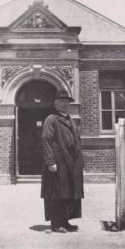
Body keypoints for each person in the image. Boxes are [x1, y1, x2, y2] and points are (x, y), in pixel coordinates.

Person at [40, 89, 84, 233]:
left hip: (71, 163)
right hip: (59, 163)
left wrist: (79, 161)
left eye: (67, 101)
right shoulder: (51, 119)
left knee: (68, 193)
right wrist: (50, 161)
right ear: (55, 103)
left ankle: (65, 221)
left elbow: (76, 141)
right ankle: (56, 224)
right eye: (61, 101)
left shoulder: (70, 120)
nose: (65, 104)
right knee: (56, 193)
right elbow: (46, 139)